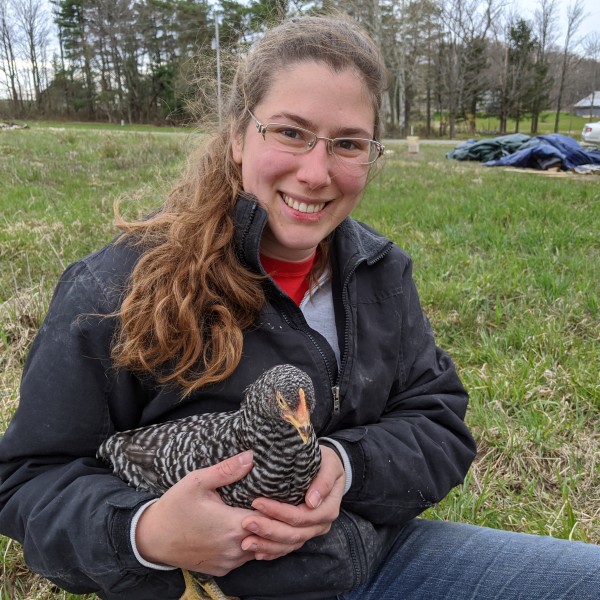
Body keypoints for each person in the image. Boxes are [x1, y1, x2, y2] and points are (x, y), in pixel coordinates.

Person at [0, 13, 598, 600]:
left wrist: (344, 464)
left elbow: (438, 424)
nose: (316, 172)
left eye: (347, 143)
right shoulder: (113, 290)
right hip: (212, 585)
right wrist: (147, 533)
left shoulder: (380, 272)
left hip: (372, 559)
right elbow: (26, 483)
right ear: (238, 137)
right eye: (290, 132)